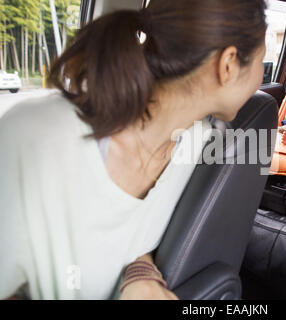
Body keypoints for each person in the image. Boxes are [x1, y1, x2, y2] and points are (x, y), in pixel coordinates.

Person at [0, 0, 267, 300]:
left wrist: (141, 275)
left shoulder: (199, 145)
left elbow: (129, 237)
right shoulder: (35, 138)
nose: (262, 76)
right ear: (228, 64)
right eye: (261, 60)